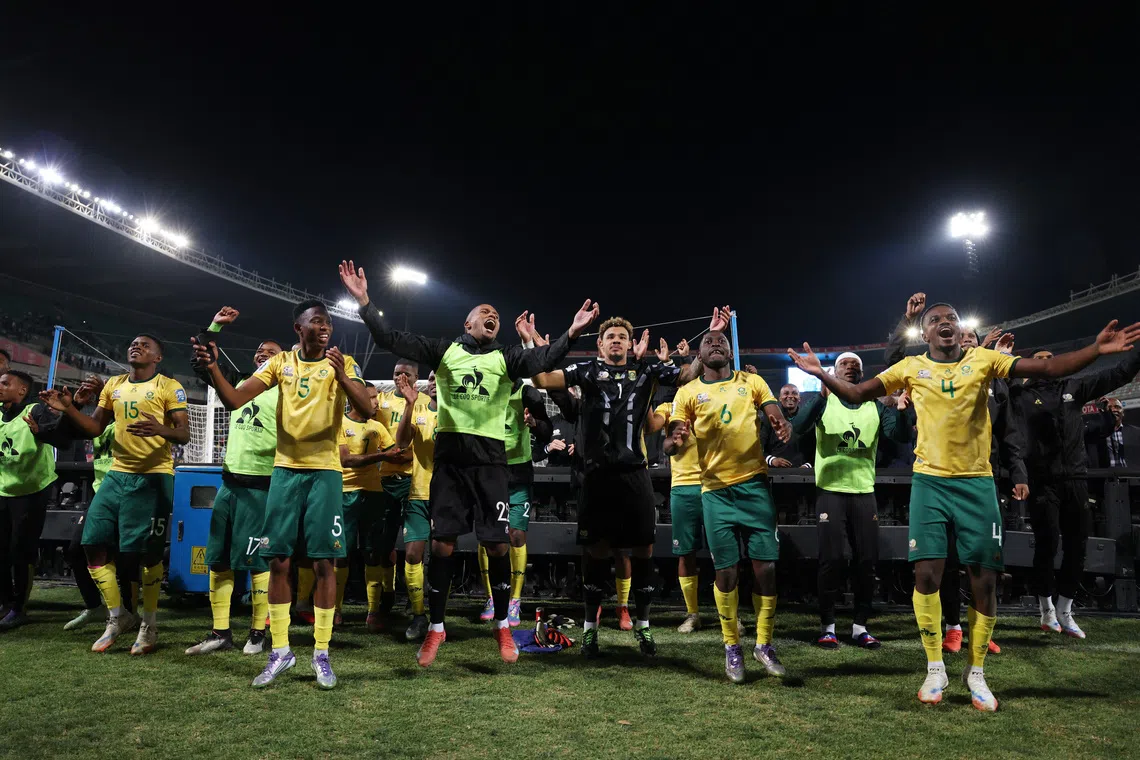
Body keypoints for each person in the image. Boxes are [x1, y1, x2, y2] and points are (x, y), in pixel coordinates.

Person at [790, 304, 1140, 711]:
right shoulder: (909, 367)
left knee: (984, 580)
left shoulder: (985, 359)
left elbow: (1046, 369)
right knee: (926, 574)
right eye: (936, 319)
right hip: (930, 483)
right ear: (925, 333)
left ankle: (976, 671)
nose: (945, 323)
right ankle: (935, 666)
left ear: (960, 330)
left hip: (977, 483)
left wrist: (1096, 349)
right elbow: (855, 393)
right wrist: (820, 374)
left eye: (951, 318)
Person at [339, 259, 598, 667]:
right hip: (451, 465)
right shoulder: (444, 352)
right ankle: (436, 629)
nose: (492, 317)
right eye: (484, 314)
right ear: (468, 322)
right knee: (441, 545)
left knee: (496, 544)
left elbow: (543, 359)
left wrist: (572, 333)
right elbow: (391, 338)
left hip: (492, 466)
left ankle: (501, 627)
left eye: (496, 315)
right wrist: (365, 302)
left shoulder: (507, 358)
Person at [192, 299, 373, 690]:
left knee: (325, 562)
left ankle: (321, 653)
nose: (324, 328)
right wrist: (211, 367)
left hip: (325, 473)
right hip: (285, 472)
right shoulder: (279, 364)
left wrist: (343, 378)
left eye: (328, 323)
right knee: (278, 561)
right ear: (299, 328)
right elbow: (235, 400)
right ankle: (280, 651)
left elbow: (367, 408)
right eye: (316, 322)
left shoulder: (343, 363)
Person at [529, 311, 713, 659]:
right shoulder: (585, 372)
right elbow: (541, 379)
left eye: (621, 337)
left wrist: (706, 343)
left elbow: (688, 374)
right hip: (596, 477)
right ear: (599, 344)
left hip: (635, 474)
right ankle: (590, 631)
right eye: (610, 336)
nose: (616, 340)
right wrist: (536, 342)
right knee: (596, 553)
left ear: (630, 345)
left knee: (642, 550)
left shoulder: (646, 371)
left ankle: (642, 627)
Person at [39, 335, 190, 655]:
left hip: (153, 477)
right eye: (133, 343)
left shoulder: (169, 386)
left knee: (147, 555)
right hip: (117, 476)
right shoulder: (114, 386)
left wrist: (160, 429)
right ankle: (117, 616)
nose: (137, 346)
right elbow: (94, 428)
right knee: (91, 544)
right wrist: (68, 407)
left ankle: (148, 624)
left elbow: (183, 433)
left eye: (146, 345)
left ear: (157, 356)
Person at [668, 330, 791, 682]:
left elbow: (774, 413)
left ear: (731, 351)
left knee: (765, 569)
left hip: (754, 486)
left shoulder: (751, 381)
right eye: (709, 341)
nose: (717, 343)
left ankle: (764, 644)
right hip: (715, 492)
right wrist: (674, 441)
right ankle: (732, 646)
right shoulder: (688, 392)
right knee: (726, 572)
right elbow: (673, 438)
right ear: (699, 354)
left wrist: (781, 423)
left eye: (722, 340)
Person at [1010, 345, 1140, 639]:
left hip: (1076, 479)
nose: (1044, 363)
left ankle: (1066, 610)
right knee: (1047, 543)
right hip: (1042, 481)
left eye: (1049, 359)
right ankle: (1046, 610)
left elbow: (1118, 373)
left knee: (1078, 547)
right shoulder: (1019, 395)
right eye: (1037, 360)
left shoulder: (1073, 387)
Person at [789, 353, 911, 649]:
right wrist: (819, 392)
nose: (851, 367)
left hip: (863, 491)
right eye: (845, 363)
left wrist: (905, 412)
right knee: (831, 559)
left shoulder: (875, 406)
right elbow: (799, 427)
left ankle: (860, 627)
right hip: (830, 490)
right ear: (834, 371)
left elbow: (900, 435)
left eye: (856, 364)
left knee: (866, 561)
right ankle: (828, 626)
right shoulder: (823, 401)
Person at [185, 307, 283, 657]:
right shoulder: (239, 383)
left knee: (257, 562)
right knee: (219, 558)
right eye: (259, 351)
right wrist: (213, 328)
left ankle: (258, 633)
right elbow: (203, 364)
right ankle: (220, 632)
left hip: (262, 486)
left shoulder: (285, 393)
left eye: (270, 353)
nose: (262, 355)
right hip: (229, 485)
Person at [477, 377, 552, 626]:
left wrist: (534, 423)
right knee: (489, 537)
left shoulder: (527, 393)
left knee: (516, 536)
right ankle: (491, 597)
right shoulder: (485, 390)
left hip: (519, 473)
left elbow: (546, 431)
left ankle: (515, 600)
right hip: (491, 470)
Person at [358, 360, 418, 632]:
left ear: (416, 378)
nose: (401, 377)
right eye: (396, 373)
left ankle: (415, 601)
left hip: (415, 481)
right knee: (382, 544)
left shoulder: (425, 401)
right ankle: (385, 597)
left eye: (407, 373)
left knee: (417, 545)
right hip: (384, 480)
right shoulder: (379, 401)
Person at [337, 383, 403, 626]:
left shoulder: (377, 427)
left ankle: (373, 611)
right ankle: (335, 609)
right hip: (344, 494)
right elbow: (346, 460)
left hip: (374, 494)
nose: (376, 403)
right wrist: (382, 457)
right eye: (371, 398)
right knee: (341, 554)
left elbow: (395, 451)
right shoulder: (340, 424)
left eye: (376, 398)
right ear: (356, 399)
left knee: (372, 553)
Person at [0, 370, 60, 629]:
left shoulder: (36, 410)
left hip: (32, 490)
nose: (0, 387)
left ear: (22, 390)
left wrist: (50, 424)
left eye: (5, 383)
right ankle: (4, 602)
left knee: (20, 551)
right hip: (4, 489)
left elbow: (58, 436)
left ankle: (18, 608)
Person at [649, 396, 705, 633]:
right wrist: (675, 440)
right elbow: (666, 447)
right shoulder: (668, 407)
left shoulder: (710, 400)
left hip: (716, 484)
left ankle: (730, 614)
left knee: (725, 553)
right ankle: (693, 614)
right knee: (685, 553)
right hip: (682, 487)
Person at [393, 371, 438, 641]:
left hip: (447, 496)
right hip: (418, 493)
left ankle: (438, 618)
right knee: (412, 555)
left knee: (442, 558)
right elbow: (401, 442)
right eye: (430, 378)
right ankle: (419, 616)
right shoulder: (418, 409)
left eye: (438, 378)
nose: (433, 382)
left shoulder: (458, 412)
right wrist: (409, 404)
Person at [762, 384, 815, 469]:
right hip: (775, 473)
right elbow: (759, 448)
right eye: (786, 393)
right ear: (779, 398)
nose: (790, 396)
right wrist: (772, 460)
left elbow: (816, 449)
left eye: (794, 393)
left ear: (799, 398)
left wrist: (807, 466)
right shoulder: (769, 419)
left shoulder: (808, 419)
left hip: (804, 474)